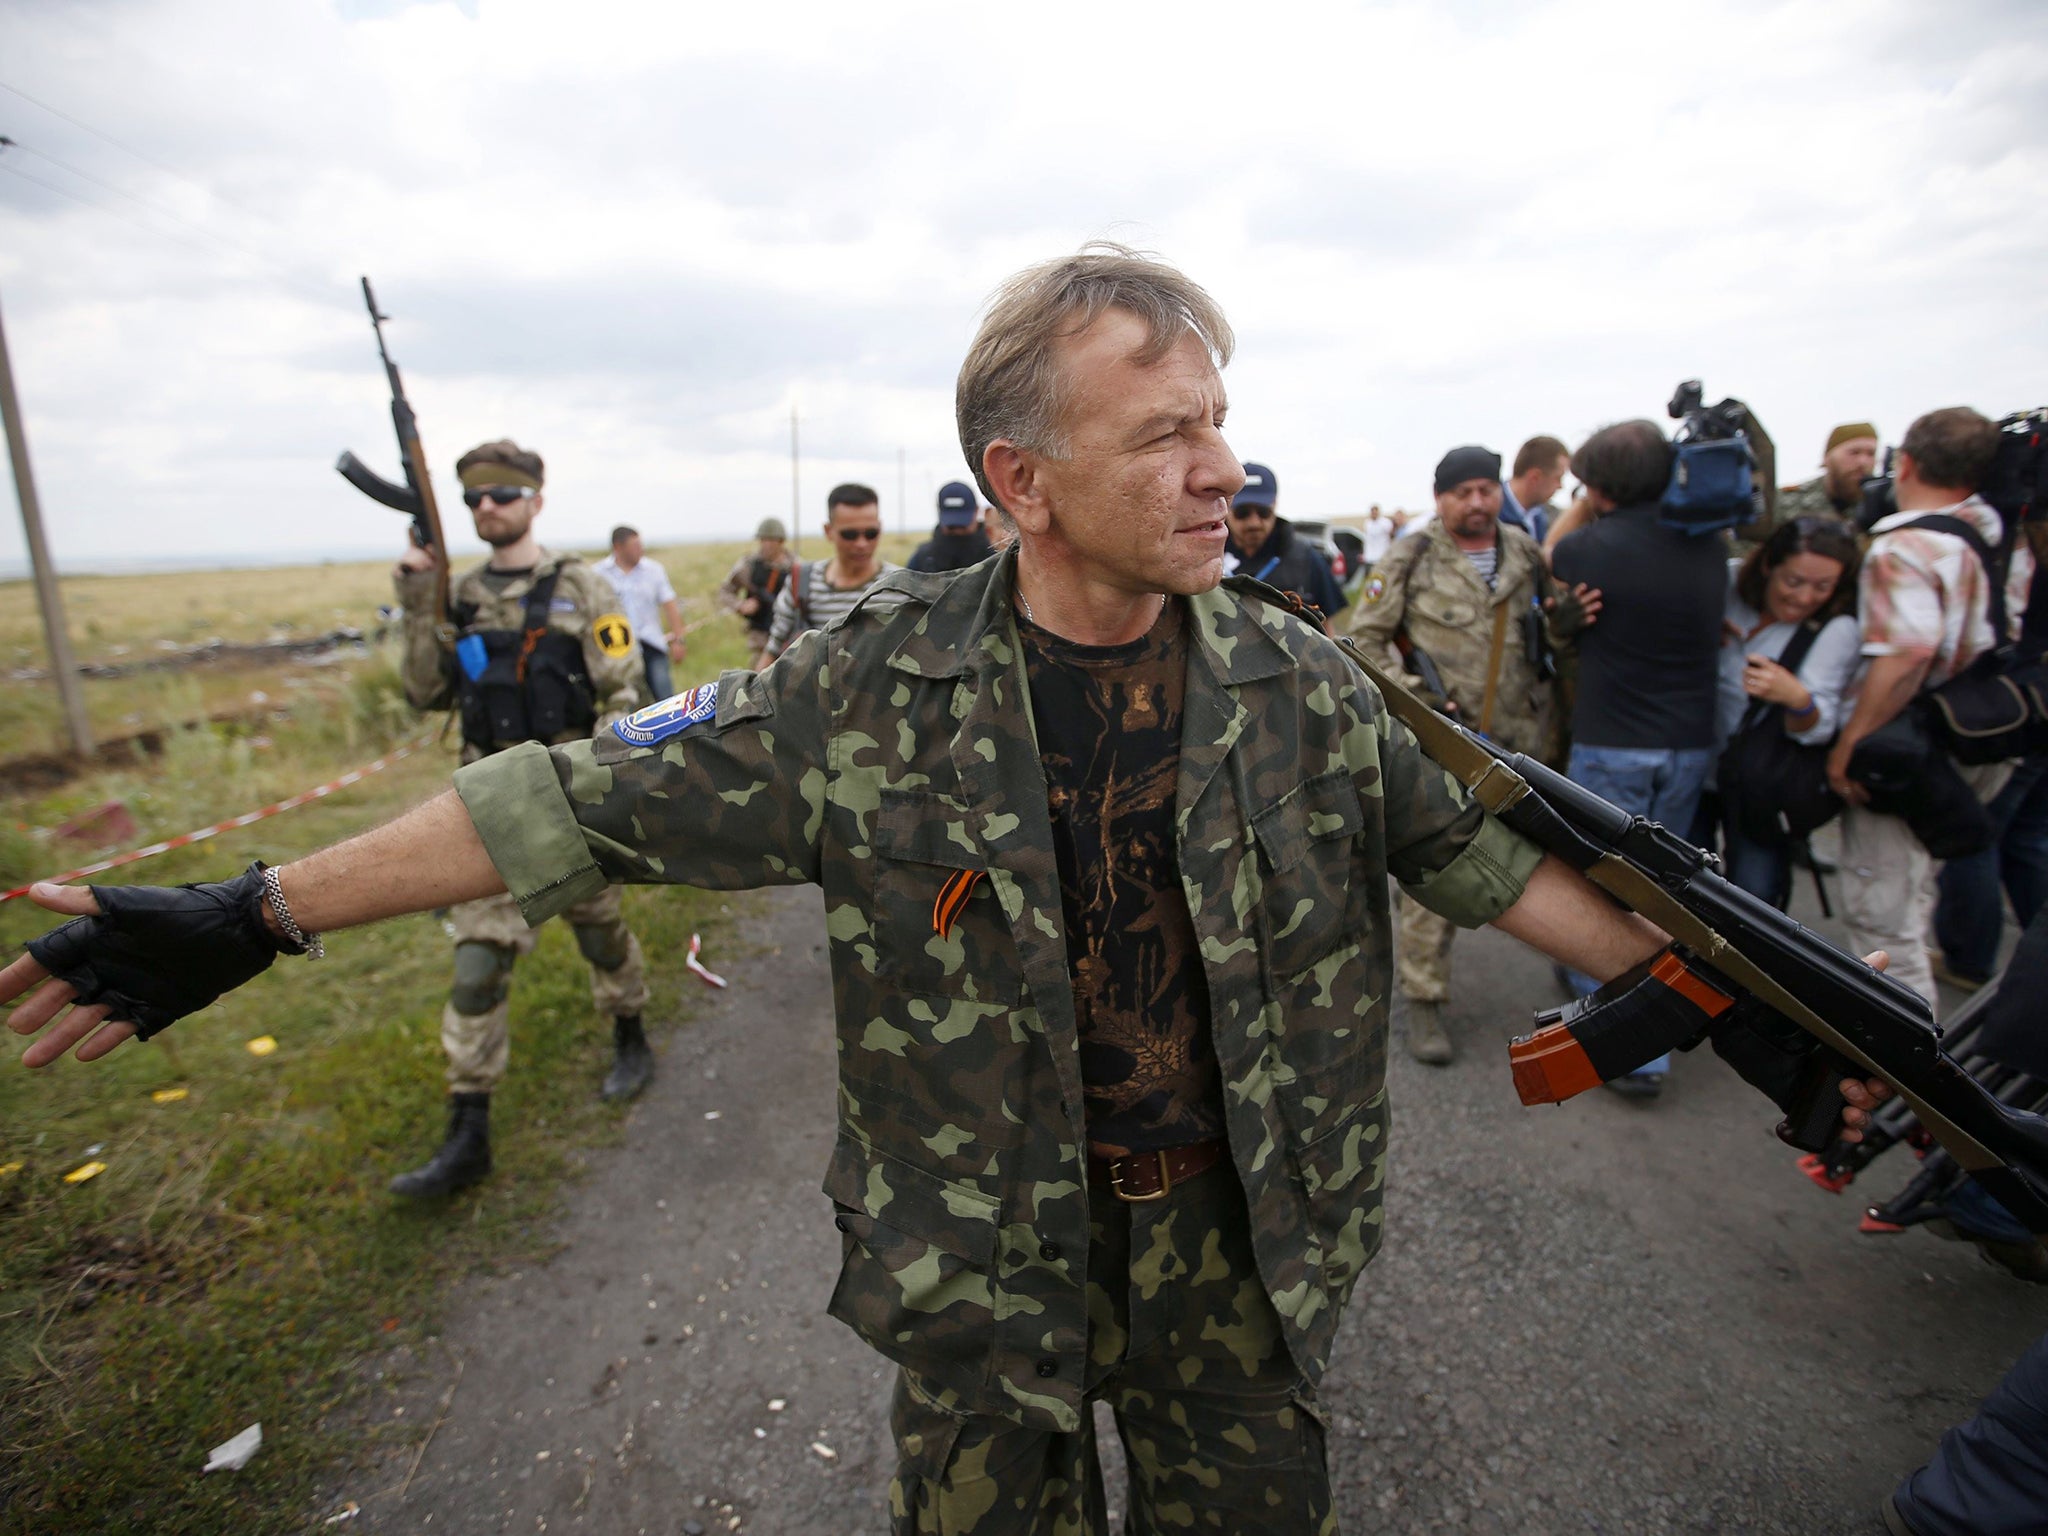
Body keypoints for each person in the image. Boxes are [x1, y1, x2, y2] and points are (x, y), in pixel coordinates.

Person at [2, 246, 1890, 1534]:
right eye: (1163, 434)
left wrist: (1740, 1020)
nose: (1220, 470)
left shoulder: (1302, 684)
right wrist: (253, 912)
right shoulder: (859, 693)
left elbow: (1492, 864)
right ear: (1023, 477)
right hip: (976, 1270)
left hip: (1239, 1261)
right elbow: (559, 802)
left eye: (1221, 422)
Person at [387, 439, 654, 1198]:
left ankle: (630, 1033)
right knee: (477, 966)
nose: (487, 508)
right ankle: (468, 1129)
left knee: (602, 936)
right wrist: (417, 600)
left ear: (535, 499)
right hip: (486, 807)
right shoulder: (459, 594)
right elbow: (424, 693)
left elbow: (622, 690)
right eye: (474, 498)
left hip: (567, 800)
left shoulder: (586, 589)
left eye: (502, 495)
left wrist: (603, 786)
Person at [1343, 444, 1589, 1064]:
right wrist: (1422, 705)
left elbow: (1548, 635)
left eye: (1486, 489)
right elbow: (1362, 641)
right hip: (1450, 747)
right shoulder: (1412, 556)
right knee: (1441, 865)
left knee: (1543, 867)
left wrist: (1566, 620)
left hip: (1524, 743)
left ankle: (1585, 958)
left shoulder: (1524, 551)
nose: (1477, 503)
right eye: (1463, 493)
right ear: (1440, 498)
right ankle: (1425, 998)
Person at [1827, 407, 2033, 1010]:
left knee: (1881, 915)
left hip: (1907, 748)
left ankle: (1907, 1066)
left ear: (1907, 462)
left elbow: (1908, 652)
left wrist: (1849, 745)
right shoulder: (1997, 535)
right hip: (1976, 731)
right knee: (1916, 888)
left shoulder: (1906, 545)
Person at [1550, 419, 1730, 1098]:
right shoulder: (1709, 543)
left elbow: (1550, 551)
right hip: (1688, 743)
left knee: (1606, 888)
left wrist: (1586, 501)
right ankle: (1665, 1010)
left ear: (1596, 486)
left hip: (1613, 741)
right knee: (1669, 887)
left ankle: (1634, 1050)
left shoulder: (1589, 548)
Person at [1700, 518, 1863, 909]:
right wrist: (1699, 624)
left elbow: (1816, 729)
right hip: (1697, 766)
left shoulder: (1835, 630)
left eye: (1823, 587)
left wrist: (1797, 699)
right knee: (1688, 886)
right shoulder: (1726, 585)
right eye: (1795, 581)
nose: (1806, 597)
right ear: (1769, 564)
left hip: (1759, 784)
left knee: (1754, 898)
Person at [763, 483, 894, 661]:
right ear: (828, 531)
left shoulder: (899, 588)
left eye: (871, 533)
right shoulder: (802, 582)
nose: (862, 543)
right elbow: (773, 650)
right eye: (850, 535)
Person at [1221, 461, 1347, 625]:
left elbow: (1326, 628)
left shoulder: (1307, 558)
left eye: (1263, 512)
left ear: (1275, 505)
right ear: (1227, 507)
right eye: (1243, 513)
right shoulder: (1207, 557)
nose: (1254, 523)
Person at [594, 525, 684, 702]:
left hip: (652, 644)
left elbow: (670, 605)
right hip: (618, 648)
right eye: (635, 546)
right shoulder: (598, 574)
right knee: (625, 699)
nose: (640, 550)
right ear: (618, 547)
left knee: (665, 698)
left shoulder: (654, 570)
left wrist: (679, 640)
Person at [717, 517, 797, 670]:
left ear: (780, 541)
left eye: (770, 540)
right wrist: (741, 605)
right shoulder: (750, 565)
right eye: (762, 540)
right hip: (760, 639)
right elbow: (725, 591)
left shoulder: (796, 567)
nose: (765, 545)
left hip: (790, 641)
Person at [1776, 422, 1880, 533]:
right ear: (1827, 458)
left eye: (1871, 454)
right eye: (1854, 453)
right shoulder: (1786, 502)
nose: (1863, 462)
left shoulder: (1880, 506)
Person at [908, 480, 996, 573]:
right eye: (951, 527)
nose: (957, 531)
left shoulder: (995, 559)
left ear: (977, 511)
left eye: (963, 525)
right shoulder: (923, 559)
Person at [1498, 435, 1569, 546]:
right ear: (1535, 477)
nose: (1560, 486)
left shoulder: (1544, 518)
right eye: (1557, 478)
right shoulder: (1489, 514)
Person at [1359, 502, 1398, 570]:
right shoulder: (1367, 523)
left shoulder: (1385, 522)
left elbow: (1392, 535)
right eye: (1372, 512)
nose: (1374, 514)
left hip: (1381, 557)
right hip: (1369, 557)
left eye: (1375, 512)